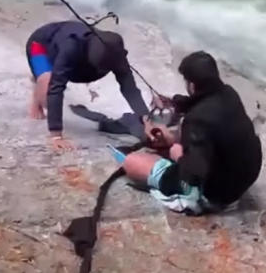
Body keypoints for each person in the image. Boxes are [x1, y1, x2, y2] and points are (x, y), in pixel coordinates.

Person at [121, 51, 261, 214]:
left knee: (132, 162)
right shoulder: (229, 93)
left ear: (192, 85)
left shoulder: (197, 120)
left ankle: (200, 199)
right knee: (188, 132)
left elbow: (194, 174)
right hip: (246, 174)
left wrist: (177, 155)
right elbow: (203, 101)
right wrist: (173, 101)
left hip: (220, 193)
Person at [26, 21, 148, 149]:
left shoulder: (115, 52)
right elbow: (56, 87)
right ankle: (38, 87)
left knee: (54, 82)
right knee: (48, 92)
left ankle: (41, 78)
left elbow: (129, 88)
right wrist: (56, 135)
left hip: (69, 50)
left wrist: (145, 119)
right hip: (41, 45)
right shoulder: (71, 48)